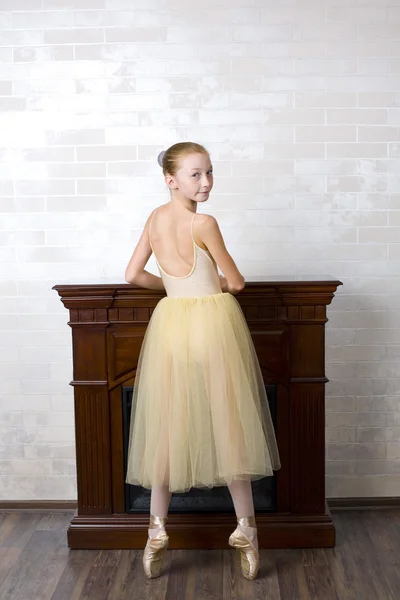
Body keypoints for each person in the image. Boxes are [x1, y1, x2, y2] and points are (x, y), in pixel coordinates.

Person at [124, 142, 281, 581]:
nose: (206, 181)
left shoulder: (155, 220)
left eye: (210, 172)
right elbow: (236, 280)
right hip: (212, 327)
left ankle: (156, 532)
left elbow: (133, 274)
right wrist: (208, 289)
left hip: (171, 327)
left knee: (166, 427)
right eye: (196, 174)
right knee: (231, 424)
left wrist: (174, 291)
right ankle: (247, 532)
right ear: (171, 179)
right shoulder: (203, 222)